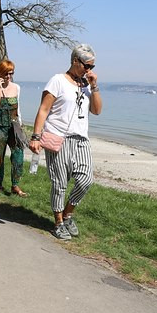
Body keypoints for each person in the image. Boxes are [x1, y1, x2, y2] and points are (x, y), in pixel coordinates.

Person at [28, 43, 103, 240]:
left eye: (92, 67)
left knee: (86, 180)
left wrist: (94, 86)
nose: (89, 70)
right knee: (59, 183)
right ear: (75, 61)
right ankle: (58, 222)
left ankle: (68, 213)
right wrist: (36, 136)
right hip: (58, 137)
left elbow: (96, 111)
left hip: (81, 139)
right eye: (87, 66)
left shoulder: (86, 86)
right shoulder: (57, 80)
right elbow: (43, 109)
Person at [0, 59, 27, 196]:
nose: (9, 77)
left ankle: (15, 185)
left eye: (11, 74)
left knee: (18, 154)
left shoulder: (17, 87)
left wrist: (20, 123)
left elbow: (18, 108)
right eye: (6, 74)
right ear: (0, 73)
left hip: (14, 126)